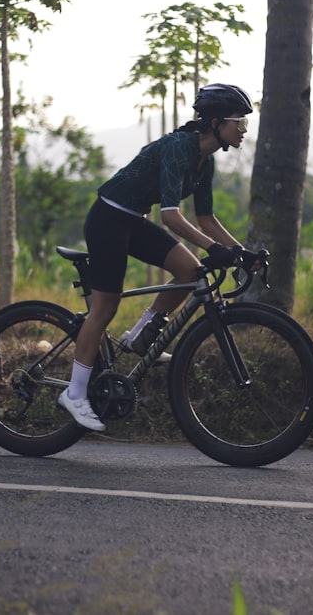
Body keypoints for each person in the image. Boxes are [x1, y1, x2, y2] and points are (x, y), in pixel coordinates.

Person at [57, 82, 257, 431]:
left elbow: (206, 219)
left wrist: (241, 252)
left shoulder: (204, 162)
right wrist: (213, 248)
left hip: (132, 221)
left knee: (190, 272)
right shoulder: (181, 147)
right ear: (214, 122)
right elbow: (170, 216)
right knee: (105, 307)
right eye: (237, 122)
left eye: (244, 124)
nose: (242, 130)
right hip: (108, 218)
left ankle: (138, 337)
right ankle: (74, 394)